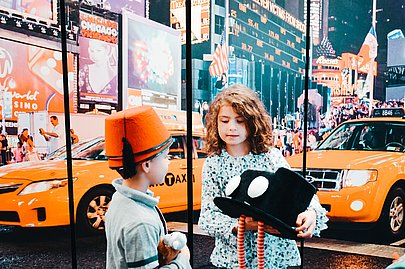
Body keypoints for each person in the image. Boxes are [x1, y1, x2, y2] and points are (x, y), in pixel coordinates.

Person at [198, 84, 328, 268]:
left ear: (252, 122)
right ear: (215, 122)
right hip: (232, 260)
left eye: (240, 121)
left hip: (277, 257)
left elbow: (298, 193)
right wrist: (240, 225)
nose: (231, 128)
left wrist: (311, 213)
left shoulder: (271, 156)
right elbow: (208, 216)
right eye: (224, 121)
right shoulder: (213, 163)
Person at [104, 106, 191, 269]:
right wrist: (182, 261)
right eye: (166, 157)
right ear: (146, 165)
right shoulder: (141, 222)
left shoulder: (120, 199)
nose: (169, 162)